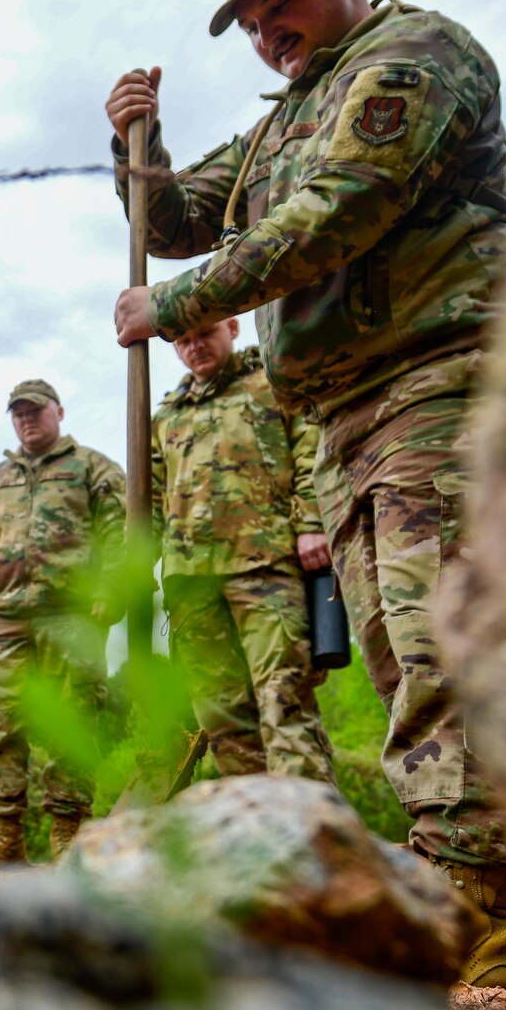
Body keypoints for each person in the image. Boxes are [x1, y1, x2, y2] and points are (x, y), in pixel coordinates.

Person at [105, 0, 506, 988]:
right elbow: (179, 220)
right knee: (399, 654)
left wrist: (172, 306)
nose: (266, 36)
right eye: (248, 25)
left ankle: (472, 918)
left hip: (440, 379)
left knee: (437, 643)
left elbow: (335, 212)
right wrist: (138, 153)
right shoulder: (274, 127)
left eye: (279, 8)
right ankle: (503, 875)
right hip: (344, 413)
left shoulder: (411, 60)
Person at [0, 380, 123, 865]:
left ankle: (67, 833)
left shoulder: (93, 469)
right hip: (3, 619)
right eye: (18, 413)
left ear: (59, 412)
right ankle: (5, 837)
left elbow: (119, 534)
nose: (27, 419)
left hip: (71, 616)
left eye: (36, 411)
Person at [153, 316, 335, 781]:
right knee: (221, 712)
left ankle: (308, 829)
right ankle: (258, 827)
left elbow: (311, 449)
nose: (195, 347)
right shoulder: (167, 416)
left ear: (232, 328)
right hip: (192, 580)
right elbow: (153, 495)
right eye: (184, 340)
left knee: (283, 696)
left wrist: (312, 523)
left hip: (266, 564)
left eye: (205, 334)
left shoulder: (272, 385)